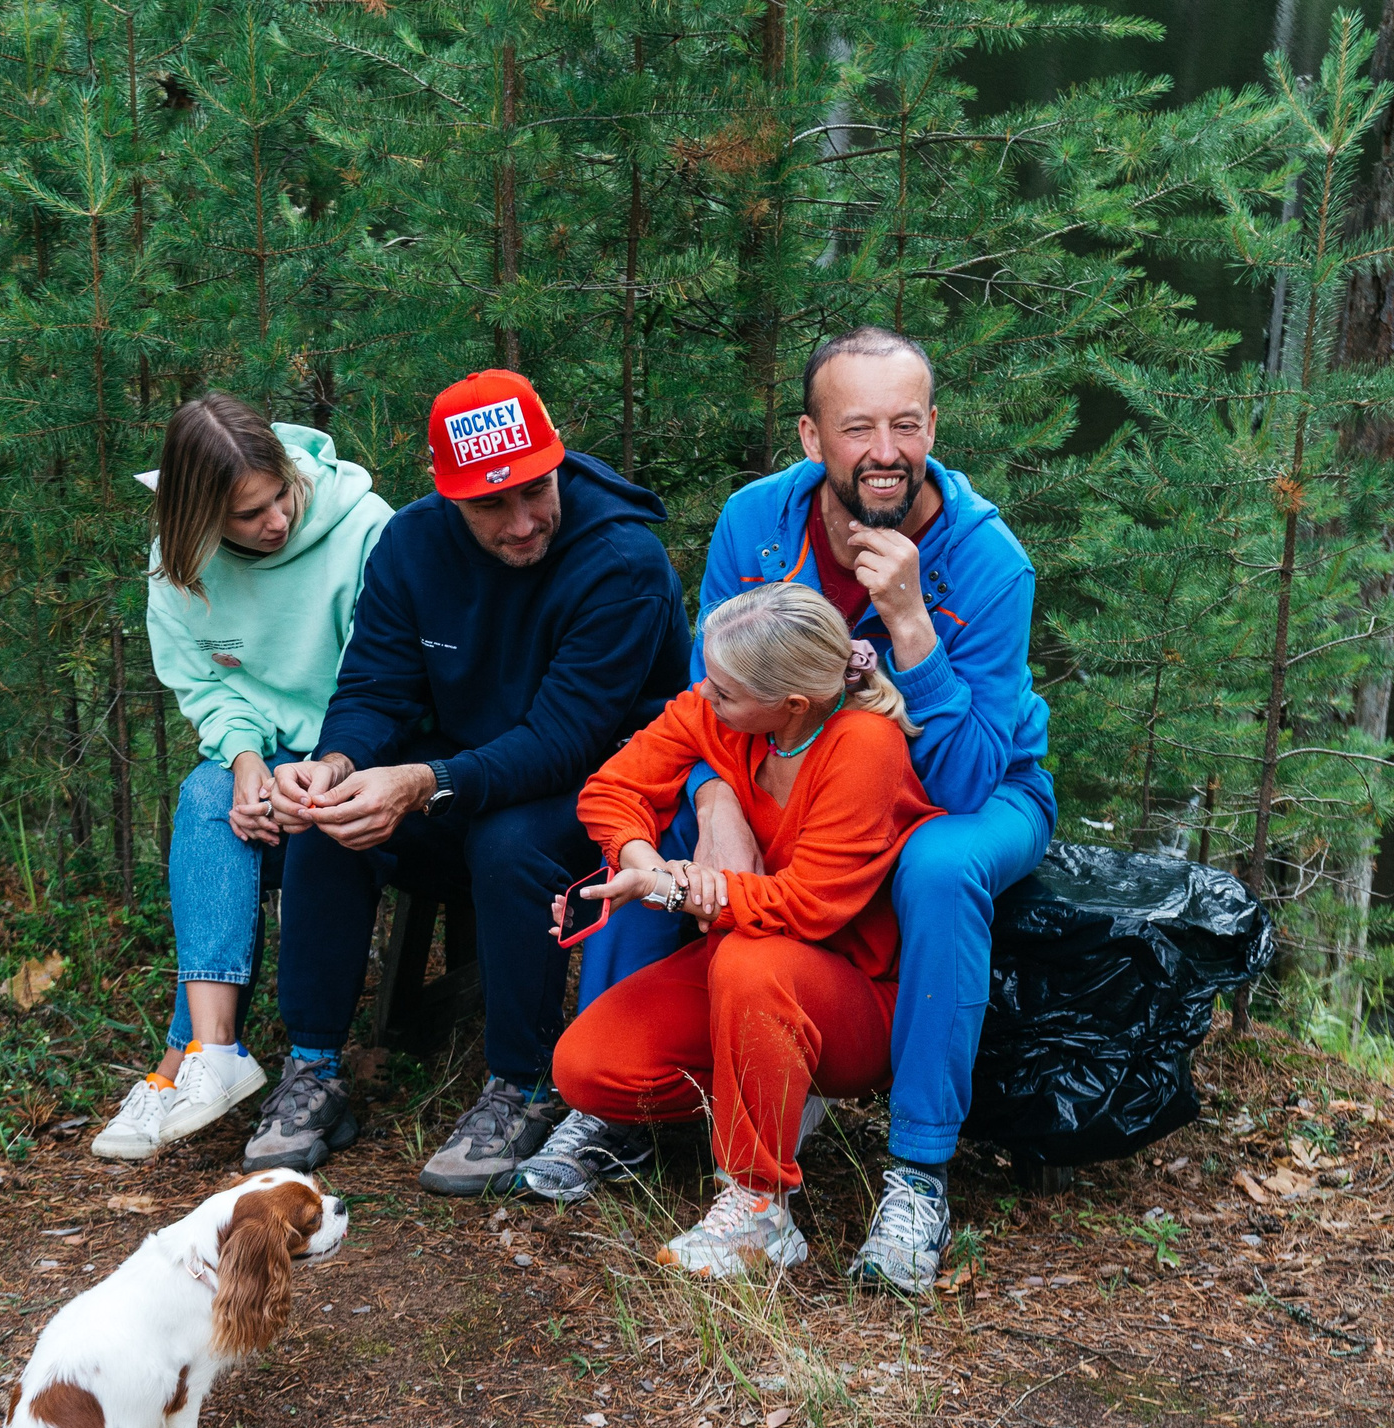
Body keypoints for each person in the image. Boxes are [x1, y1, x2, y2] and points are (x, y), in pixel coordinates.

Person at [512, 327, 1056, 1295]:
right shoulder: (757, 523)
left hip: (971, 778)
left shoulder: (987, 559)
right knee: (687, 818)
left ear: (932, 427)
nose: (883, 450)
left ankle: (918, 1174)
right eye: (858, 428)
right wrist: (709, 799)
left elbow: (971, 776)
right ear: (814, 439)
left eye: (904, 424)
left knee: (936, 864)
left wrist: (911, 623)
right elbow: (708, 691)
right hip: (781, 759)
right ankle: (635, 1109)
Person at [243, 369, 691, 1192]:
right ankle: (312, 1070)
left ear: (557, 461)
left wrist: (424, 779)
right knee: (330, 816)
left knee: (511, 839)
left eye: (536, 491)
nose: (523, 523)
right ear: (448, 492)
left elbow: (565, 741)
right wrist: (338, 763)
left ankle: (520, 1087)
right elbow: (375, 686)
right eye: (492, 506)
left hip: (610, 784)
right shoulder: (413, 546)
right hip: (463, 771)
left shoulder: (621, 559)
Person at [550, 583, 940, 1276]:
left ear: (792, 703)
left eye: (726, 690)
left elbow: (809, 904)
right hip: (746, 976)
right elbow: (612, 789)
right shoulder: (725, 714)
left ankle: (760, 1207)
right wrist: (642, 861)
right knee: (587, 1068)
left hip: (853, 997)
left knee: (751, 959)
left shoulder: (864, 745)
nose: (707, 695)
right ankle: (769, 1089)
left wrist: (673, 889)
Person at [92, 395, 394, 1161]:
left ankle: (182, 1062)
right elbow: (206, 685)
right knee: (209, 793)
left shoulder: (364, 529)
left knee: (207, 800)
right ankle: (215, 1051)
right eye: (247, 515)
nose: (276, 523)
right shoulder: (179, 559)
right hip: (269, 755)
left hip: (359, 754)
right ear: (199, 518)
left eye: (280, 496)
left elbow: (383, 675)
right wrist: (249, 760)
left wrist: (313, 768)